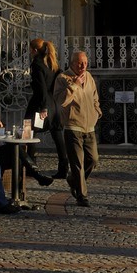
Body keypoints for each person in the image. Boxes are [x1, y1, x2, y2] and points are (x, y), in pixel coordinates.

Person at [53, 50, 101, 207]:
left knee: (93, 160)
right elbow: (61, 101)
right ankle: (82, 196)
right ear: (72, 63)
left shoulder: (89, 77)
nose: (83, 66)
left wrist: (97, 111)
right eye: (80, 63)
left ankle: (73, 180)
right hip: (73, 126)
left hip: (89, 127)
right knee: (77, 164)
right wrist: (74, 85)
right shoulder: (62, 78)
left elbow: (94, 96)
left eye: (85, 63)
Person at [28, 37, 68, 180]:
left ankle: (30, 166)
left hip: (41, 104)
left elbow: (41, 88)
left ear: (34, 50)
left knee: (29, 131)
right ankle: (64, 168)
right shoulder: (52, 63)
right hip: (55, 105)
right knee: (57, 134)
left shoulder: (37, 64)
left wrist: (43, 108)